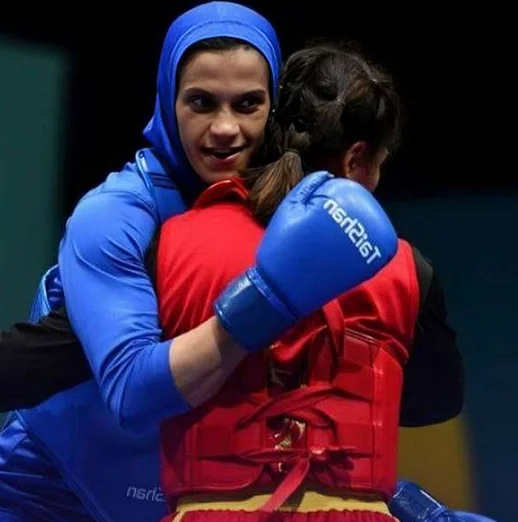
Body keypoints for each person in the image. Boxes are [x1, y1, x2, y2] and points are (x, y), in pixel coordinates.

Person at [150, 41, 464, 521]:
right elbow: (438, 400)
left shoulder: (171, 243)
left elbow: (124, 384)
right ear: (356, 160)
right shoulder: (406, 268)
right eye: (378, 164)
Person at [0, 2, 283, 522]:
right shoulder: (113, 216)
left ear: (274, 107)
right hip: (47, 492)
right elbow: (132, 391)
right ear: (168, 101)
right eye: (201, 102)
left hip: (187, 501)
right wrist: (271, 299)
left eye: (248, 104)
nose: (225, 128)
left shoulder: (288, 216)